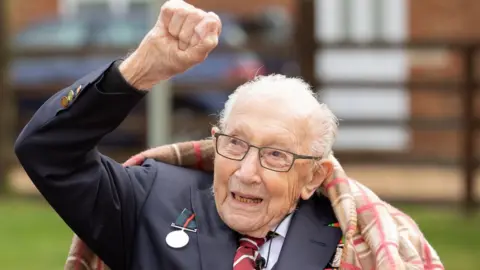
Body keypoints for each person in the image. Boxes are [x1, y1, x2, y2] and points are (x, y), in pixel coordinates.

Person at [16, 1, 443, 269]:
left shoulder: (354, 240)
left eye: (275, 155)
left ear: (313, 177)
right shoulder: (149, 198)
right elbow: (47, 152)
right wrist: (142, 68)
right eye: (235, 143)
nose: (246, 172)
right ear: (215, 138)